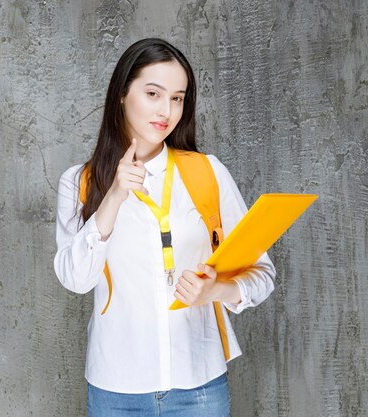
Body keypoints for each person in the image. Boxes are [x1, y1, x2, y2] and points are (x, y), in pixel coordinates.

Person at [54, 38, 276, 417]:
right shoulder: (80, 182)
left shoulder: (207, 173)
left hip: (199, 388)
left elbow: (263, 274)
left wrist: (216, 290)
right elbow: (75, 279)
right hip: (115, 390)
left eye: (177, 98)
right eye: (153, 93)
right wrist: (114, 196)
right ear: (122, 94)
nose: (166, 110)